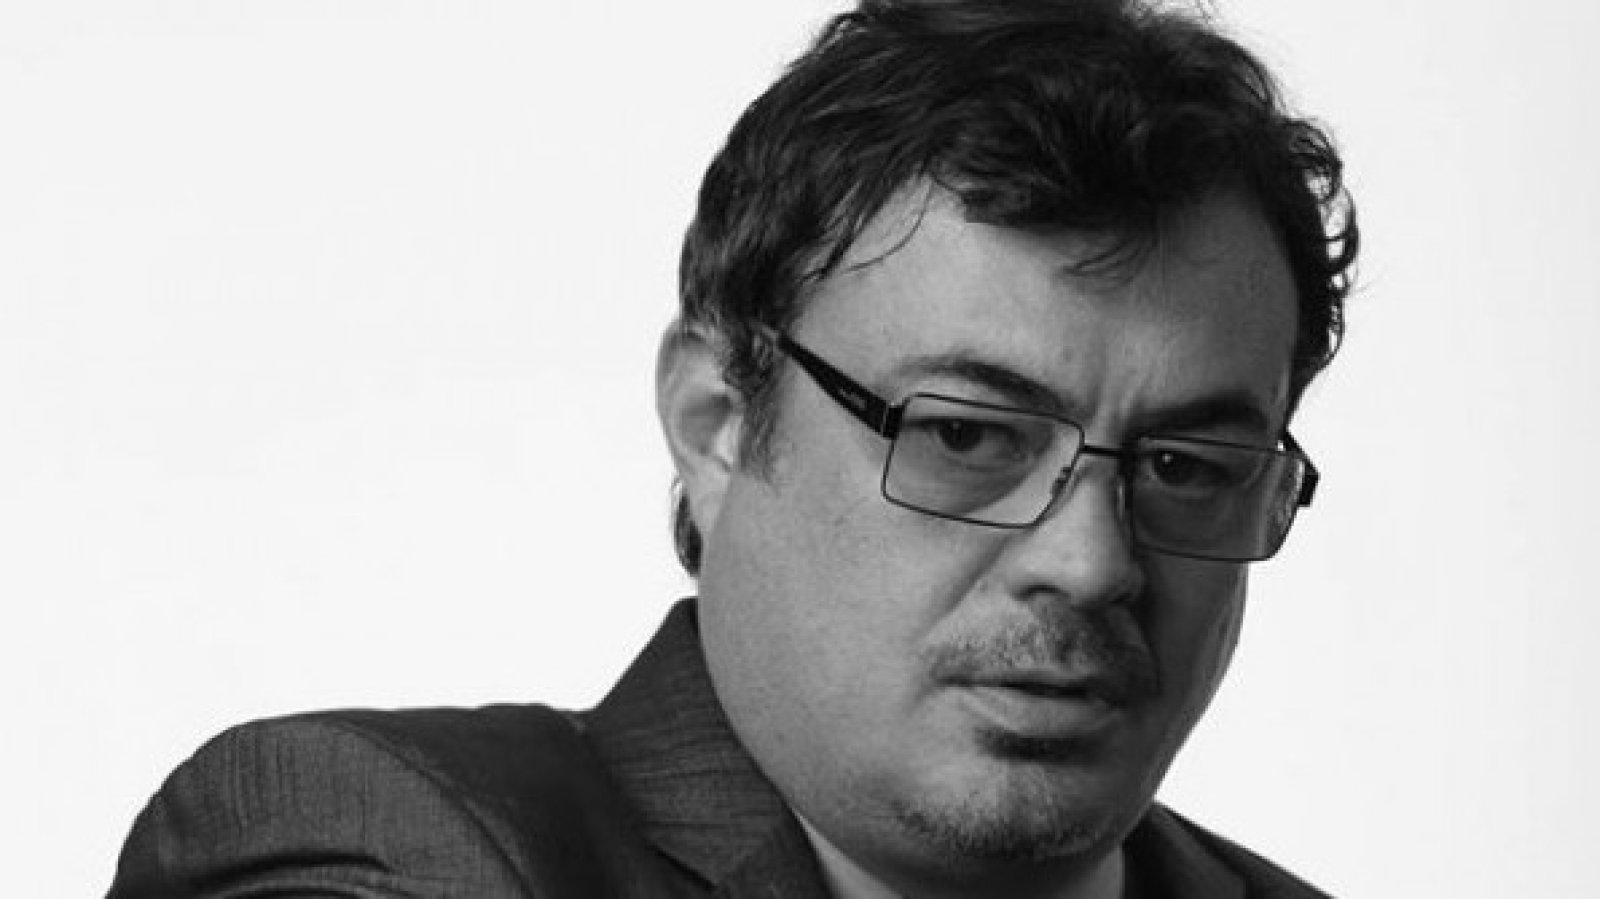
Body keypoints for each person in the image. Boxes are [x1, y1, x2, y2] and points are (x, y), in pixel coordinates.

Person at [108, 0, 1358, 896]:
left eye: (1186, 466)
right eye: (968, 434)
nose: (1090, 562)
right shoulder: (388, 842)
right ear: (716, 420)